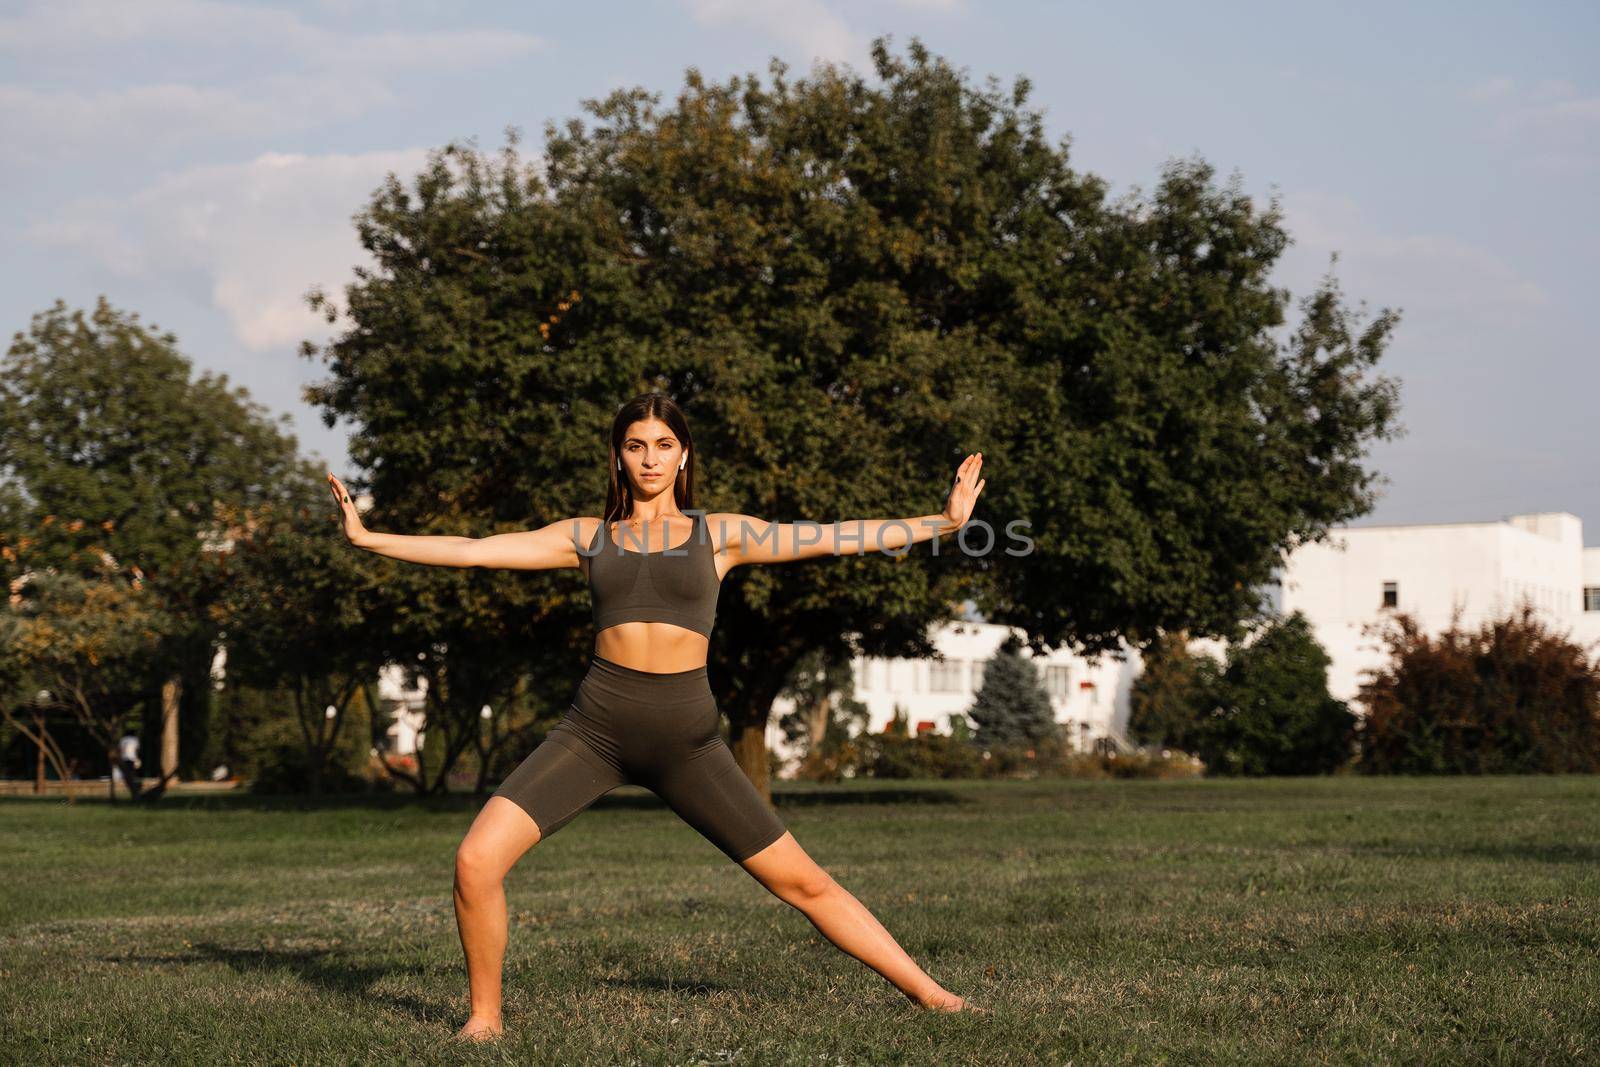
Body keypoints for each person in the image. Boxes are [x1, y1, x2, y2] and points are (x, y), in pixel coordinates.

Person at [327, 392, 988, 1041]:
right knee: (475, 860)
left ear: (683, 455)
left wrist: (945, 520)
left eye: (663, 445)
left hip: (688, 741)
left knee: (803, 881)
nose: (649, 458)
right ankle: (484, 1018)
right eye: (636, 445)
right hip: (595, 729)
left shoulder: (720, 533)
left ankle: (933, 995)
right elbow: (474, 548)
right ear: (617, 457)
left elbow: (835, 537)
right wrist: (368, 537)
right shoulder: (587, 536)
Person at [115, 731, 142, 800]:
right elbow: (137, 750)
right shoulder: (135, 739)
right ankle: (135, 790)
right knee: (132, 776)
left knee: (128, 776)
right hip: (132, 759)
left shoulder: (123, 739)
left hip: (125, 759)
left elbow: (120, 750)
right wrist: (137, 759)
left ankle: (134, 791)